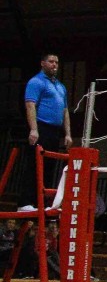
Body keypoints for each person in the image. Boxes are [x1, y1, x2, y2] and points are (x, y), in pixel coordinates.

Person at [21, 53, 71, 211]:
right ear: (42, 63)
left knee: (49, 167)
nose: (54, 64)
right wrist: (34, 129)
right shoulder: (36, 82)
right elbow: (30, 105)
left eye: (56, 62)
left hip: (55, 131)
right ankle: (25, 203)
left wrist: (68, 134)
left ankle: (40, 203)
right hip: (41, 128)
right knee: (35, 165)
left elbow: (65, 111)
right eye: (51, 61)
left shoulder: (60, 86)